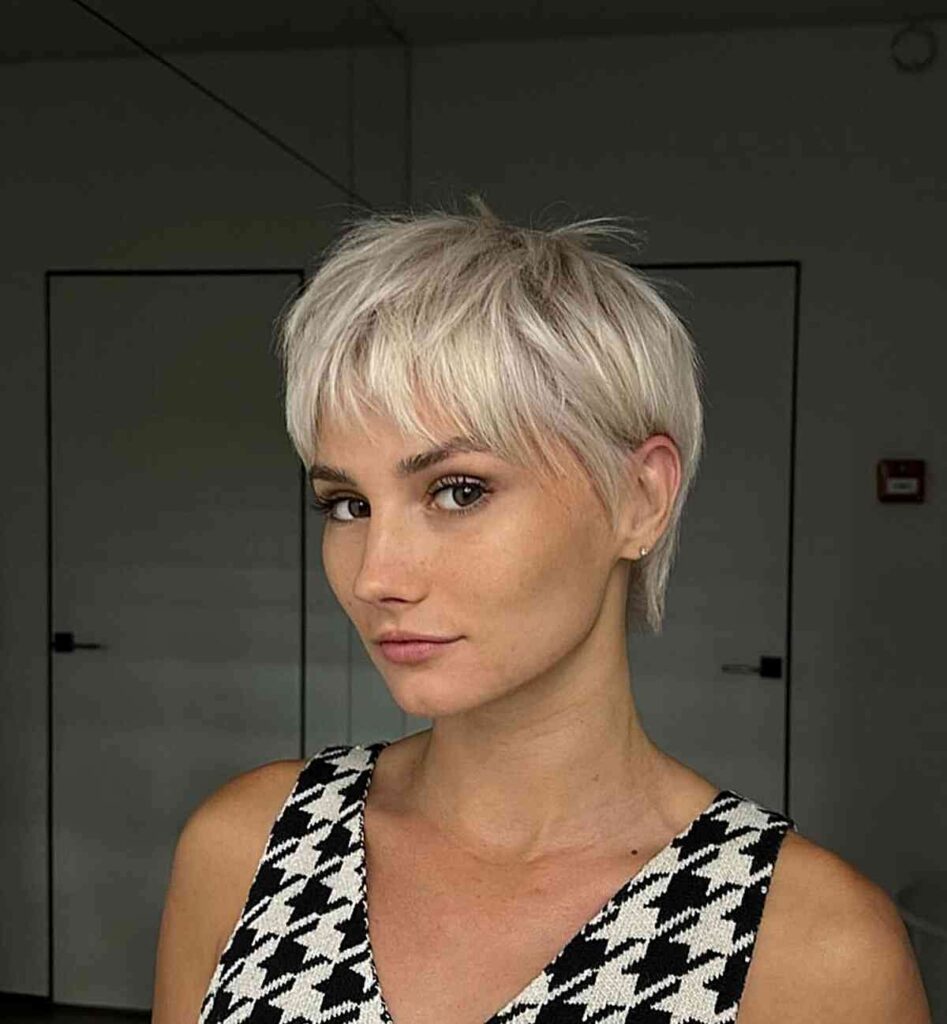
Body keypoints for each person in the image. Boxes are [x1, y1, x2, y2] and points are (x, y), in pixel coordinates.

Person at [152, 198, 931, 1023]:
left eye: (458, 491)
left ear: (639, 498)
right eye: (347, 504)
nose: (377, 574)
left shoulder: (810, 948)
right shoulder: (252, 845)